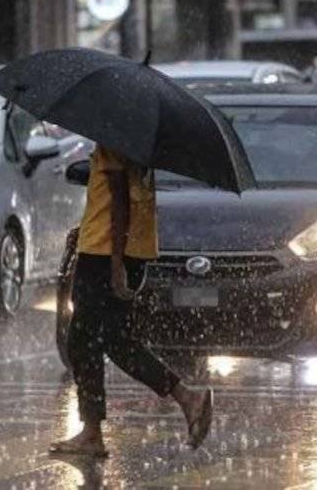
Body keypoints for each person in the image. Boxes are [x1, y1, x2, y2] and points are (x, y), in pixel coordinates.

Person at [50, 145, 213, 457]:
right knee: (101, 342)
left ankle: (183, 398)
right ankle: (96, 429)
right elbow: (115, 200)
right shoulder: (133, 142)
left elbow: (120, 202)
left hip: (105, 255)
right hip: (117, 249)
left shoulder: (114, 138)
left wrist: (114, 266)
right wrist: (85, 231)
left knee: (95, 342)